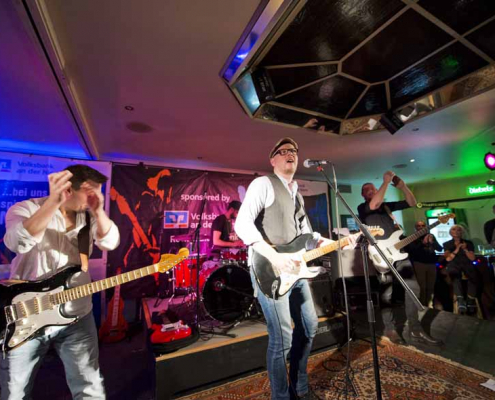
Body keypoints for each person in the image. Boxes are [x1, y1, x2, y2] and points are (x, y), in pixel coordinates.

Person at [235, 137, 354, 400]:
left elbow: (309, 237)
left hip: (296, 271)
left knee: (309, 326)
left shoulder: (297, 194)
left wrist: (340, 243)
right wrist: (274, 257)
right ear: (273, 160)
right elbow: (242, 225)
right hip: (268, 269)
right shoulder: (263, 184)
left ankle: (299, 386)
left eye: (294, 151)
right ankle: (281, 396)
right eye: (283, 151)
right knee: (282, 338)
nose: (290, 154)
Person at [1, 164, 120, 399]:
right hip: (28, 314)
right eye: (90, 193)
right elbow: (17, 243)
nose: (94, 199)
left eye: (98, 193)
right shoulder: (26, 208)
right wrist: (53, 203)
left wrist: (99, 211)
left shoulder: (88, 217)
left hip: (76, 313)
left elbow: (110, 242)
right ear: (67, 189)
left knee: (89, 386)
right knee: (15, 391)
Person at [358, 171, 441, 345]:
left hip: (399, 253)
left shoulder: (387, 207)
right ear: (363, 195)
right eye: (367, 189)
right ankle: (390, 329)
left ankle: (415, 329)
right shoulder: (363, 208)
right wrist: (385, 182)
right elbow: (374, 204)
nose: (371, 190)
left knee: (413, 288)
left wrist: (403, 187)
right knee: (387, 293)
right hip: (381, 254)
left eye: (373, 188)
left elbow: (412, 203)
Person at [406, 221, 442, 308]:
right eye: (418, 226)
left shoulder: (431, 236)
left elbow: (440, 249)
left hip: (431, 263)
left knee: (431, 285)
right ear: (415, 228)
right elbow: (412, 251)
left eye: (423, 225)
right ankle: (422, 306)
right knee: (422, 286)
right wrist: (423, 243)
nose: (421, 227)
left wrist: (432, 242)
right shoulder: (413, 237)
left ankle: (429, 305)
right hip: (419, 263)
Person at [443, 225, 478, 314]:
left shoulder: (468, 243)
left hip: (466, 264)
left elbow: (472, 258)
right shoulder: (447, 244)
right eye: (454, 229)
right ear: (450, 232)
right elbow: (448, 259)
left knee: (473, 275)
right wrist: (457, 248)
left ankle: (470, 299)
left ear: (462, 232)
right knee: (455, 275)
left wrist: (465, 249)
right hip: (454, 264)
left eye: (459, 230)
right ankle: (460, 299)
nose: (456, 231)